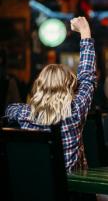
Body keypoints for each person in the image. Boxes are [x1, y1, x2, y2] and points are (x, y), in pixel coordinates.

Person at [5, 17, 96, 172]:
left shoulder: (22, 113)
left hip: (35, 188)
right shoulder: (75, 110)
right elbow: (87, 76)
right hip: (71, 192)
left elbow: (9, 110)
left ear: (39, 86)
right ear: (69, 87)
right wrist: (85, 32)